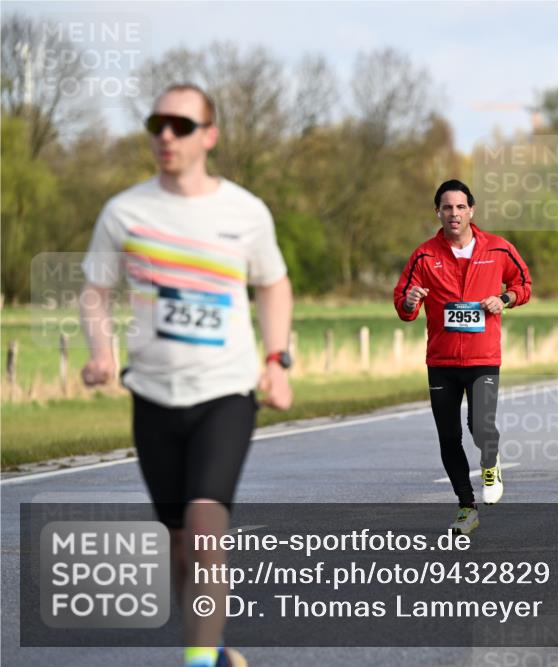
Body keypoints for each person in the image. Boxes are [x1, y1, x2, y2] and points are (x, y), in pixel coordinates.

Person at [80, 84, 293, 667]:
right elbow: (95, 292)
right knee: (178, 538)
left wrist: (276, 360)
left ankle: (197, 663)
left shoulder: (244, 212)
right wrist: (100, 354)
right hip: (151, 394)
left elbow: (272, 282)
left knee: (203, 526)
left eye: (180, 125)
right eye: (157, 124)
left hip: (225, 391)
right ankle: (211, 648)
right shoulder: (125, 212)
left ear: (210, 136)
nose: (166, 136)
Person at [393, 179, 532, 533]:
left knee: (481, 425)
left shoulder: (499, 250)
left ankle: (491, 461)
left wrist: (504, 299)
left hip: (483, 357)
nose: (453, 214)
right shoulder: (424, 255)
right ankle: (466, 506)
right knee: (449, 436)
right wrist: (409, 303)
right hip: (441, 362)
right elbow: (403, 302)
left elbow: (524, 284)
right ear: (437, 212)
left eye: (459, 207)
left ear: (471, 210)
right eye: (446, 208)